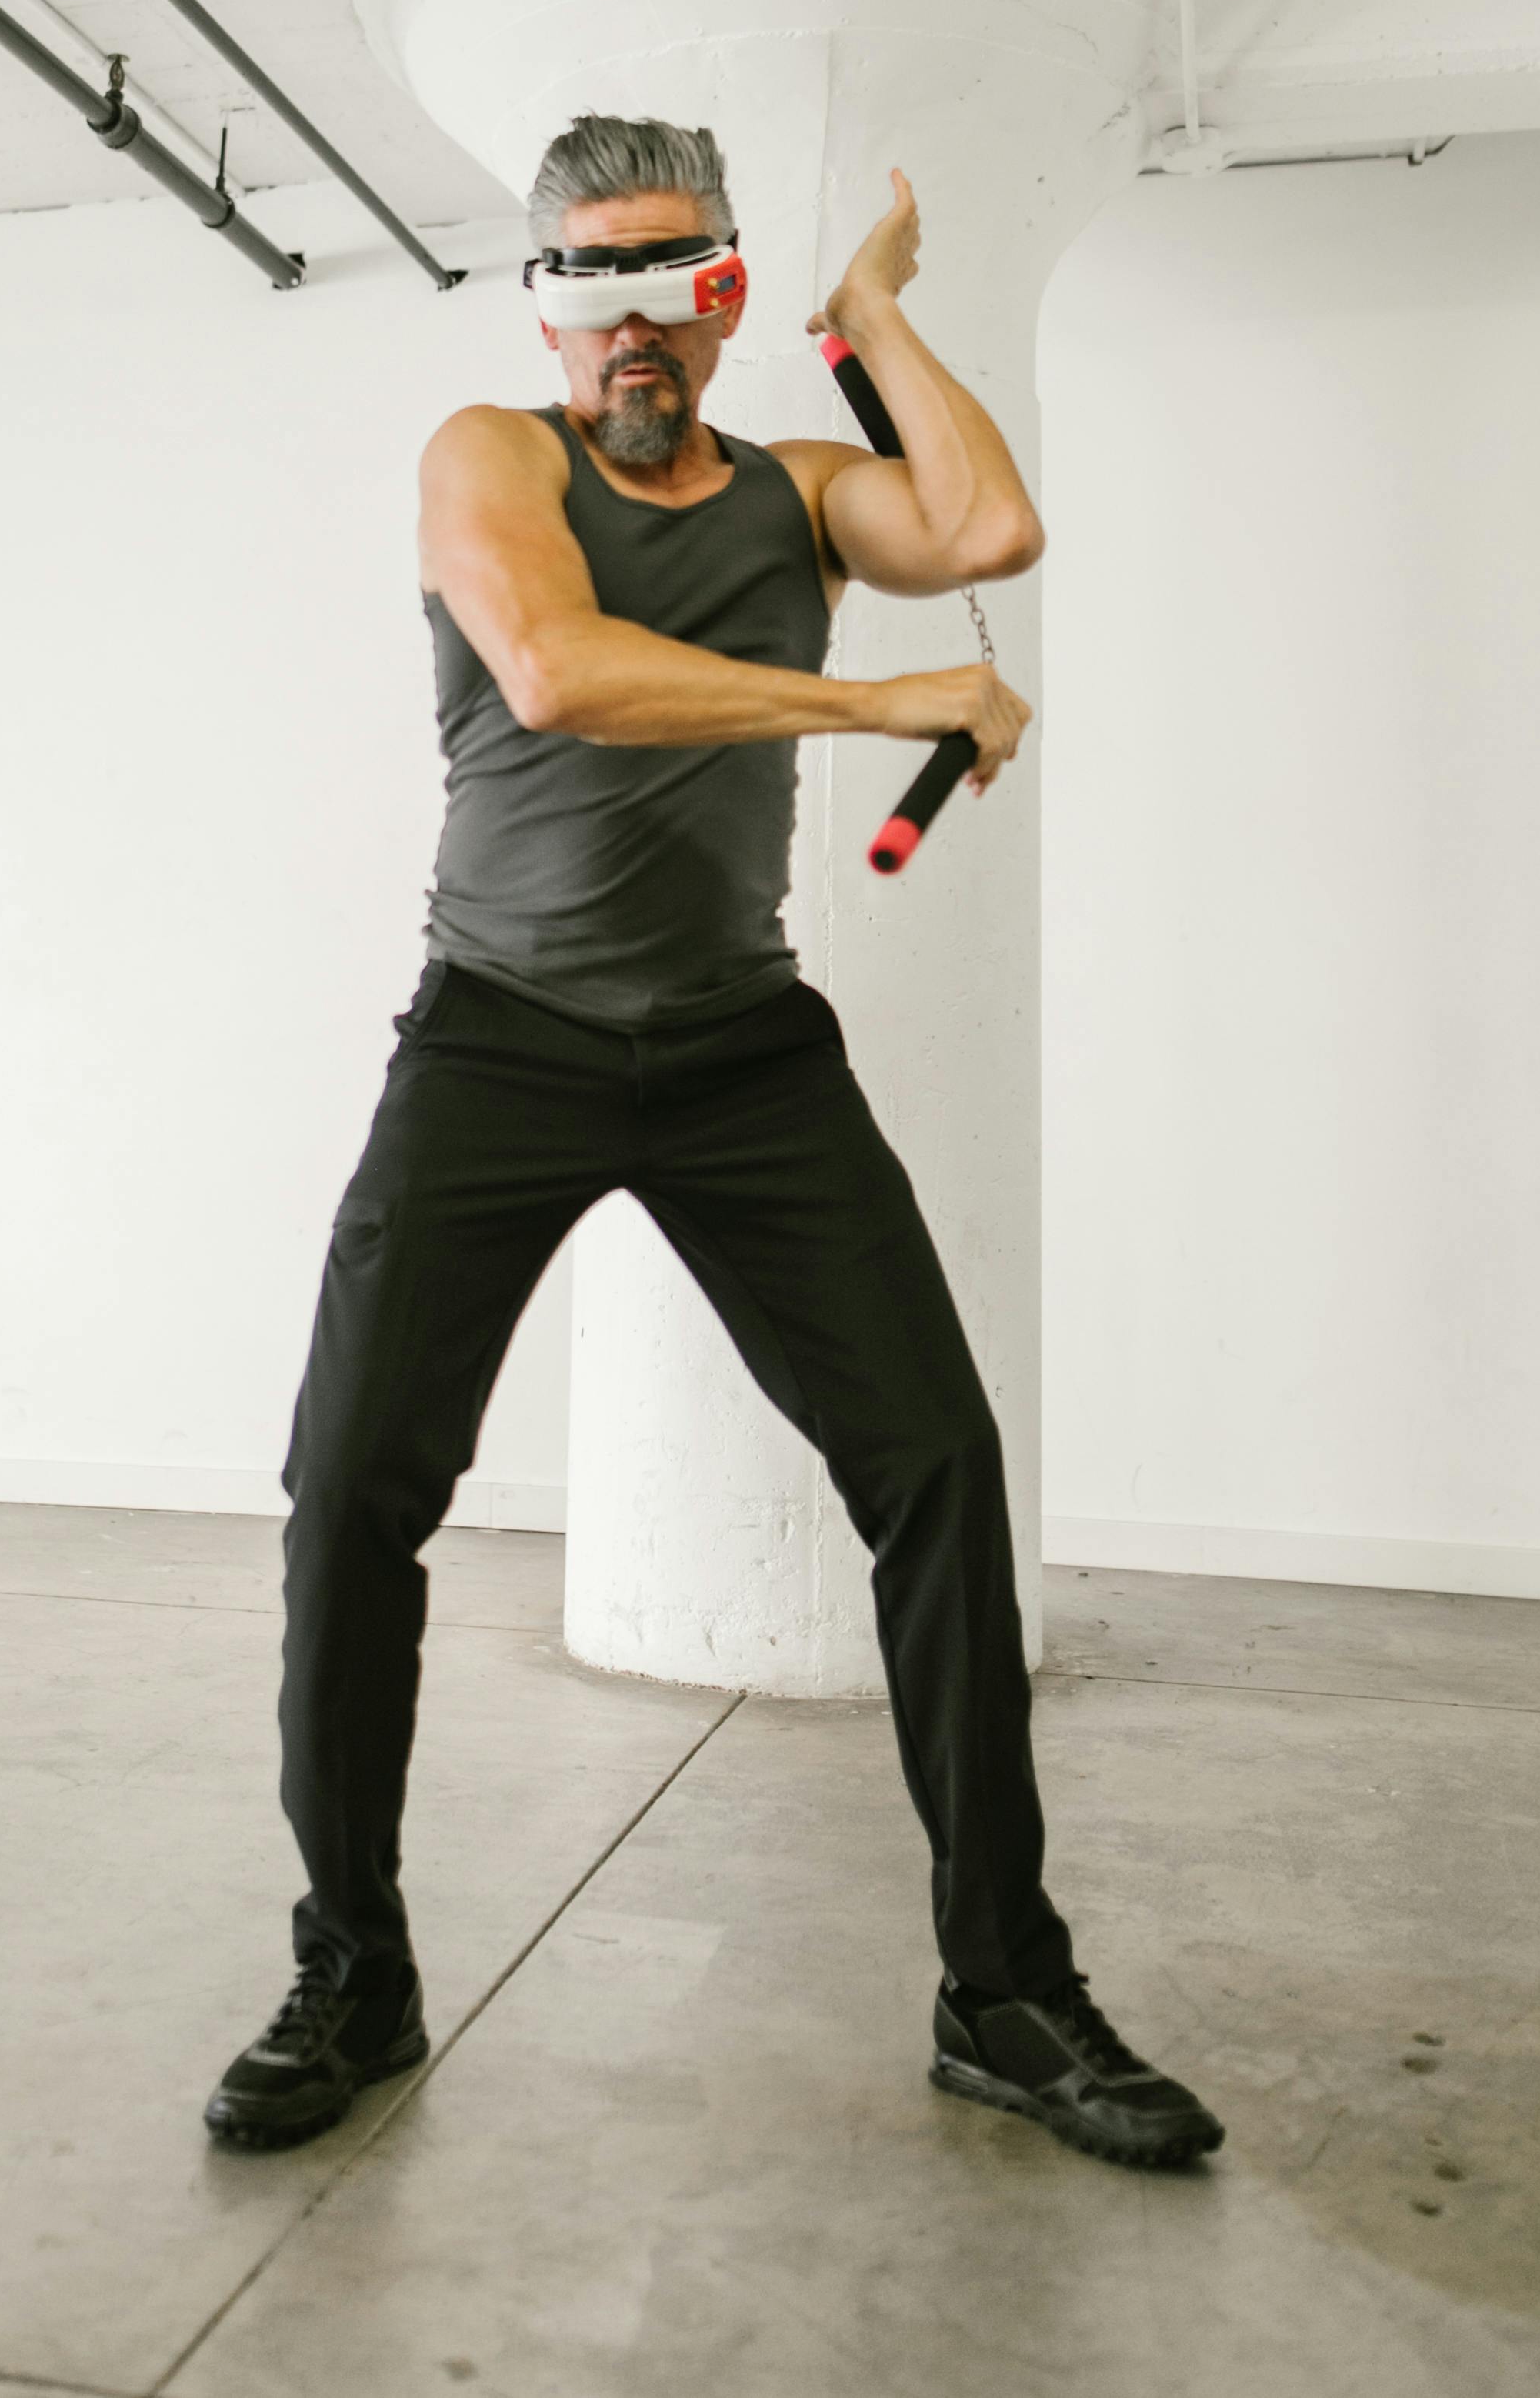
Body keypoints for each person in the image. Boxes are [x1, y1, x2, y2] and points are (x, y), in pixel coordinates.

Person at [205, 113, 1222, 2173]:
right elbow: (561, 677)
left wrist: (881, 325)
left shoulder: (802, 494)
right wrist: (879, 712)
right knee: (350, 1498)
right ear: (545, 309)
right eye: (582, 275)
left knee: (937, 1462)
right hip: (497, 1040)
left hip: (746, 1052)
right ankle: (354, 1969)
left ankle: (1004, 1988)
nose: (623, 316)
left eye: (667, 269)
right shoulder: (489, 458)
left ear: (727, 290)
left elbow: (992, 532)